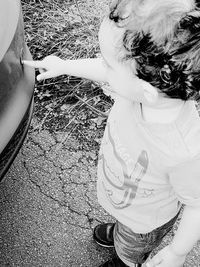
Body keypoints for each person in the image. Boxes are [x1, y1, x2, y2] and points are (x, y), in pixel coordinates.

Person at [23, 0, 200, 266]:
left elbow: (197, 205)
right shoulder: (139, 89)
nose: (104, 67)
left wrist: (178, 251)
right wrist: (65, 65)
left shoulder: (184, 150)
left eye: (109, 64)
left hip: (144, 223)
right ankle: (120, 233)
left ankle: (125, 258)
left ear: (147, 90)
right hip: (127, 203)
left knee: (129, 252)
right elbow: (109, 71)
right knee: (124, 231)